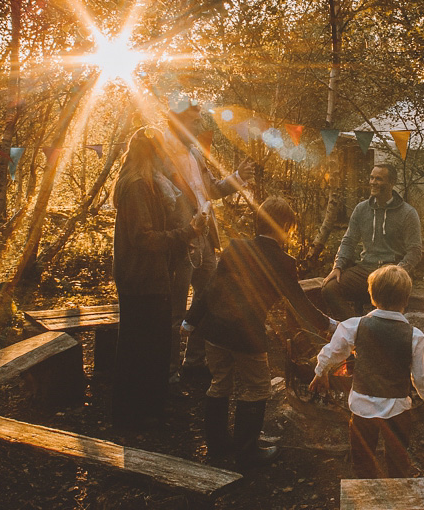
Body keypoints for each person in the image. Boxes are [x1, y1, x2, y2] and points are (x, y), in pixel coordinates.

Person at [181, 197, 336, 468]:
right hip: (245, 335)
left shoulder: (236, 248)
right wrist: (330, 325)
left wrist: (190, 321)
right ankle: (246, 451)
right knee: (257, 387)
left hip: (214, 330)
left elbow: (211, 287)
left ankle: (217, 446)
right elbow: (298, 301)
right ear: (284, 227)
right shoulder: (283, 261)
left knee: (220, 383)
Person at [310, 265, 424, 479]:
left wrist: (320, 371)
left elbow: (334, 351)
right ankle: (396, 495)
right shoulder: (414, 336)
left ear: (371, 296)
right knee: (398, 462)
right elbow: (421, 377)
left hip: (362, 409)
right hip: (397, 411)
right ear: (406, 300)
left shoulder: (355, 326)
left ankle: (365, 494)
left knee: (362, 461)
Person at [111, 127, 202, 430]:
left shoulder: (146, 184)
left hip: (145, 276)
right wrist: (188, 232)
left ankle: (144, 408)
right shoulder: (136, 186)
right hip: (141, 277)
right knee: (142, 345)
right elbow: (143, 238)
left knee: (147, 343)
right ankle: (136, 413)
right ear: (151, 153)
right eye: (160, 150)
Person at [164, 97, 255, 380]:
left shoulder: (195, 152)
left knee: (209, 300)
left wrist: (238, 176)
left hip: (205, 237)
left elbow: (212, 190)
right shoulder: (160, 152)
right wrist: (182, 230)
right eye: (193, 120)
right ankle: (169, 372)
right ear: (177, 120)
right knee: (175, 309)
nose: (198, 125)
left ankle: (194, 362)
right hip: (181, 240)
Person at [320, 163, 422, 320]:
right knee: (330, 288)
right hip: (365, 270)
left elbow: (414, 251)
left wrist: (397, 272)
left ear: (391, 183)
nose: (373, 182)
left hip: (392, 271)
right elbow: (348, 241)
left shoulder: (408, 213)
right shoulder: (361, 209)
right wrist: (338, 266)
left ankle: (380, 335)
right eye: (372, 177)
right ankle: (355, 329)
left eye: (379, 179)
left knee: (387, 301)